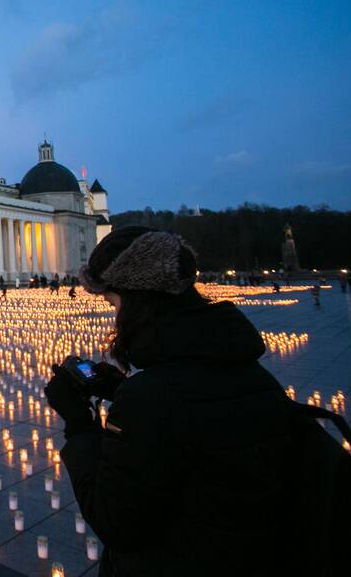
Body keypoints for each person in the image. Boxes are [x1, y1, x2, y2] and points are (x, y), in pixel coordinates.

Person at [44, 227, 300, 576]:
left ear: (138, 299)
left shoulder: (156, 397)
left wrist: (78, 424)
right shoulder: (245, 368)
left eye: (113, 302)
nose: (115, 317)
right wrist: (124, 390)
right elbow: (201, 423)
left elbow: (115, 520)